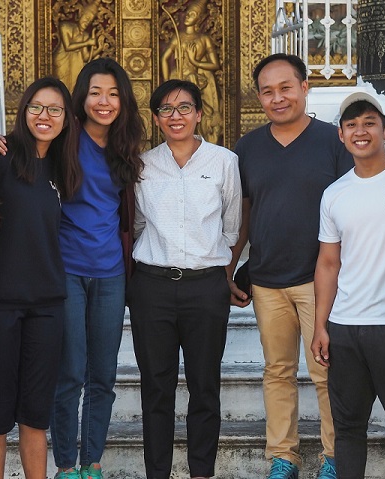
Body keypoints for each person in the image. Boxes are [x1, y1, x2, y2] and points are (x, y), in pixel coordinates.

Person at [0, 58, 145, 479]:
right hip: (65, 273)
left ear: (123, 100)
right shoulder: (63, 142)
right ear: (81, 98)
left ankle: (92, 462)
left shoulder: (125, 149)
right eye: (95, 92)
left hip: (111, 272)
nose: (104, 101)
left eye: (113, 93)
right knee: (69, 373)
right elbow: (25, 156)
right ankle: (65, 466)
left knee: (103, 375)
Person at [229, 53, 353, 479]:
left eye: (286, 87)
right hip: (266, 280)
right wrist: (230, 268)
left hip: (319, 280)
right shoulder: (247, 148)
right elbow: (243, 214)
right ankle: (284, 456)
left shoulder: (333, 142)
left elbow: (353, 207)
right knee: (277, 372)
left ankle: (334, 458)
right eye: (268, 91)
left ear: (304, 87)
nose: (277, 98)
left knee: (325, 373)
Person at [310, 92, 385, 479]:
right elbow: (328, 263)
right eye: (352, 125)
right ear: (341, 136)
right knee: (347, 430)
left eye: (369, 123)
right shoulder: (335, 194)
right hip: (346, 328)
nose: (360, 132)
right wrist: (320, 325)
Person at [128, 79, 241, 479]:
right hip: (152, 287)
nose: (175, 116)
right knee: (155, 389)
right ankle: (157, 473)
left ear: (198, 113)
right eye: (166, 109)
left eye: (184, 108)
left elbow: (231, 227)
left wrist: (218, 270)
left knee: (204, 388)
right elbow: (138, 224)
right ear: (156, 118)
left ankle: (201, 473)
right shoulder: (142, 164)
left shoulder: (224, 162)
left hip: (205, 287)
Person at [0, 76, 81, 479]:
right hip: (1, 303)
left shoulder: (61, 165)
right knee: (0, 412)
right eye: (36, 107)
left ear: (66, 119)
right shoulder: (0, 155)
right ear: (23, 111)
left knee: (36, 413)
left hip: (48, 304)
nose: (45, 116)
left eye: (55, 109)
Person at [160, 0, 221, 143]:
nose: (188, 16)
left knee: (201, 112)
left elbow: (215, 64)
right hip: (179, 76)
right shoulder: (178, 37)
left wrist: (195, 62)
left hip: (198, 79)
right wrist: (169, 81)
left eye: (192, 14)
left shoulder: (203, 39)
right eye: (188, 13)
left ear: (198, 19)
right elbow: (164, 58)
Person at [53, 0, 100, 92]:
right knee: (60, 88)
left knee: (74, 89)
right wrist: (88, 43)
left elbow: (86, 57)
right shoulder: (65, 26)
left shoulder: (85, 35)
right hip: (61, 61)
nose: (87, 22)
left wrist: (99, 48)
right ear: (80, 14)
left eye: (90, 20)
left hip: (76, 65)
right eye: (86, 17)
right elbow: (68, 47)